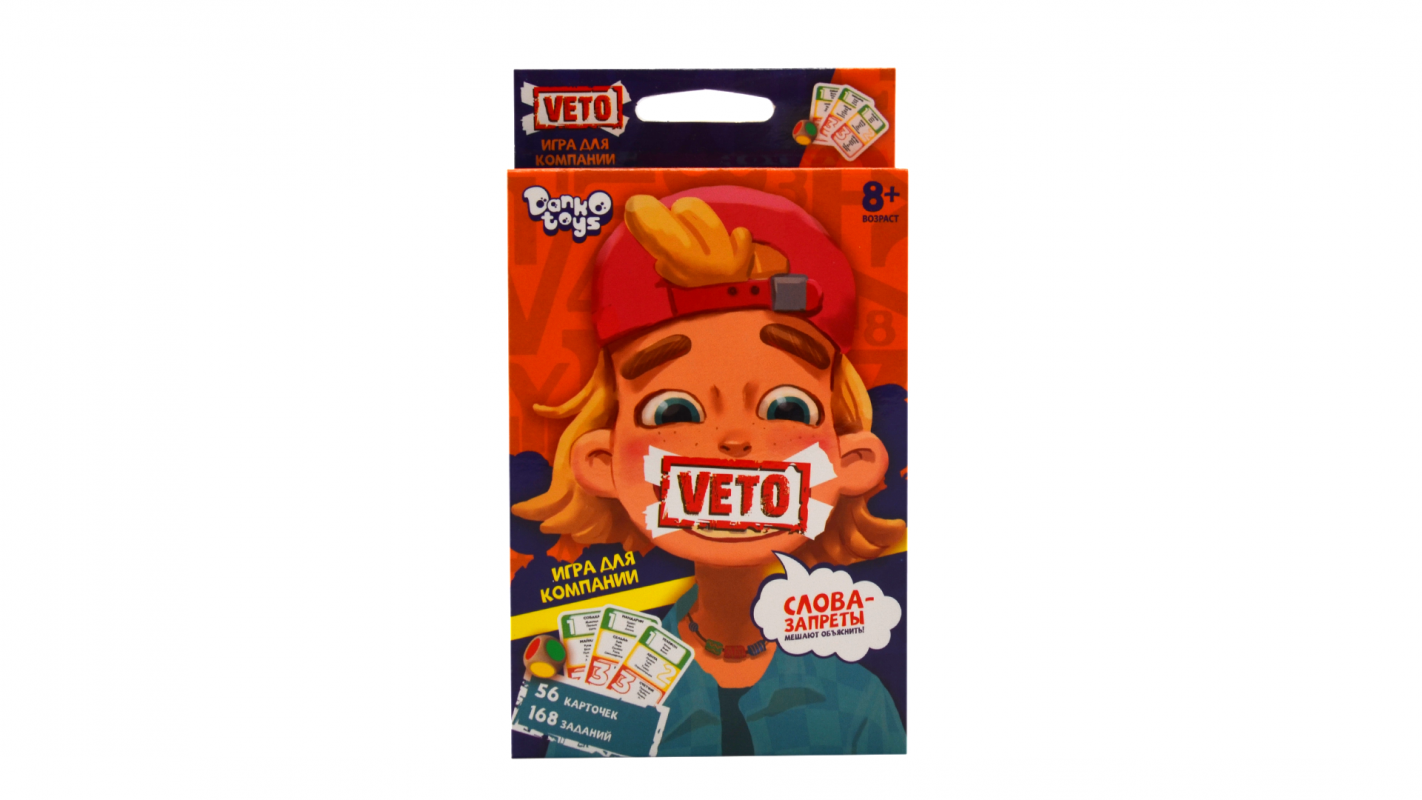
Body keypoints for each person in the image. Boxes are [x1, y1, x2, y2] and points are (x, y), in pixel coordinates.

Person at [514, 185, 906, 756]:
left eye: (787, 407)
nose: (733, 442)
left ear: (853, 460)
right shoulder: (600, 690)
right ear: (601, 461)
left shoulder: (857, 699)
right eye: (673, 411)